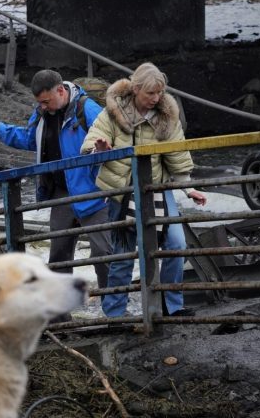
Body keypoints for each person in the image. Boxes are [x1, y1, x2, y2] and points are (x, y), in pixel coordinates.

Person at [79, 62, 207, 317]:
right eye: (150, 93)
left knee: (176, 244)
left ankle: (172, 306)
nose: (155, 98)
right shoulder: (112, 113)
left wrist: (187, 188)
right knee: (123, 254)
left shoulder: (167, 116)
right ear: (136, 89)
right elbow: (91, 142)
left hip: (157, 189)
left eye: (159, 93)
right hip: (122, 192)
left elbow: (177, 155)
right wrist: (99, 149)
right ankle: (115, 313)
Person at [0, 69, 113, 292]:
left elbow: (112, 138)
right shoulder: (42, 113)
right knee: (59, 255)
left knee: (103, 253)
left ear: (61, 91)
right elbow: (29, 138)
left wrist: (104, 149)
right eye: (40, 102)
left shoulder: (87, 109)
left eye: (46, 101)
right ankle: (59, 316)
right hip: (60, 193)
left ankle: (115, 309)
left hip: (93, 191)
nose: (43, 106)